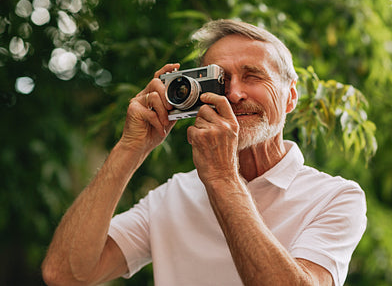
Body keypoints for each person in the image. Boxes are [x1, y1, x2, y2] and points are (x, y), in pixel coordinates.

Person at [42, 19, 367, 286]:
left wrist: (223, 178)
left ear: (291, 96)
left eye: (253, 76)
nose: (236, 93)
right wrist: (130, 148)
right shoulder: (171, 196)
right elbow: (65, 274)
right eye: (220, 82)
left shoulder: (335, 197)